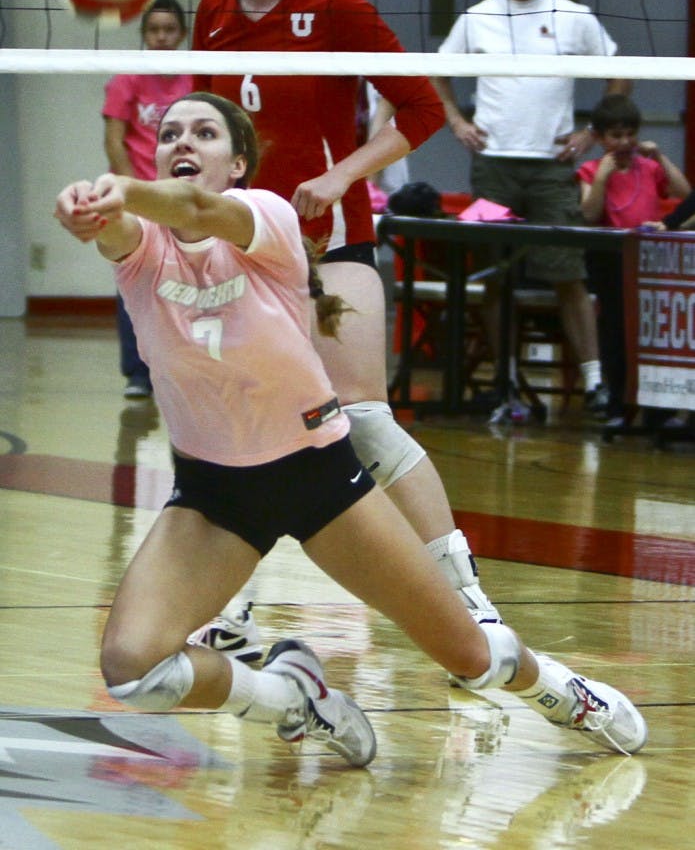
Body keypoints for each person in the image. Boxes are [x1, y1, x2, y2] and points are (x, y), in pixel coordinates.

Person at [54, 91, 647, 764]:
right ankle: (293, 698)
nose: (183, 143)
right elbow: (117, 228)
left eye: (205, 133)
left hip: (320, 481)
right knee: (135, 670)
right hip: (213, 497)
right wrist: (86, 209)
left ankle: (564, 694)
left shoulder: (267, 218)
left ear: (238, 162)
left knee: (472, 658)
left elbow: (193, 209)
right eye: (170, 134)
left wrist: (118, 188)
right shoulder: (140, 247)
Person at [189, 0, 503, 643]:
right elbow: (210, 123)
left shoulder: (335, 6)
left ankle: (464, 588)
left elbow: (421, 109)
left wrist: (339, 175)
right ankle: (226, 605)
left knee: (361, 417)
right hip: (248, 246)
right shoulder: (213, 12)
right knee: (237, 421)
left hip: (332, 240)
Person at [432, 0, 633, 416]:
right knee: (495, 276)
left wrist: (590, 131)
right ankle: (504, 381)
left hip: (551, 166)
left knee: (568, 274)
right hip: (494, 164)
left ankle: (594, 383)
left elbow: (621, 69)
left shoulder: (574, 17)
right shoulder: (477, 18)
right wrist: (457, 120)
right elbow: (434, 69)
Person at [578, 94, 691, 423]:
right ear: (599, 138)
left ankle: (658, 410)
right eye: (615, 135)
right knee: (615, 334)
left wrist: (660, 157)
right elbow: (589, 211)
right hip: (612, 263)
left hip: (651, 262)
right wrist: (602, 177)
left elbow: (686, 193)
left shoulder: (649, 167)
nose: (625, 142)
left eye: (630, 134)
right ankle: (619, 405)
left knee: (653, 335)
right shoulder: (591, 170)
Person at [102, 0, 193, 398]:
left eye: (169, 30)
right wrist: (135, 194)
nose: (161, 37)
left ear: (182, 34)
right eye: (154, 30)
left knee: (193, 277)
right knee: (135, 278)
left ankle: (189, 365)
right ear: (144, 35)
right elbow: (114, 140)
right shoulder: (128, 77)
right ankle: (138, 373)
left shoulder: (195, 75)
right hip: (140, 193)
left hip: (182, 195)